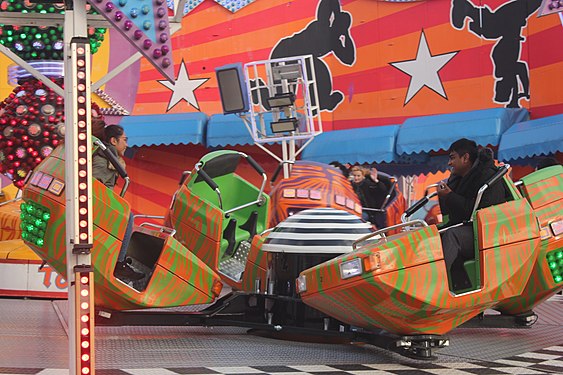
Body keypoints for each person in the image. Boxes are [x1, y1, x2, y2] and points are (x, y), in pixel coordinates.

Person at [437, 138, 509, 289]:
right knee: (434, 234)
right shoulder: (458, 178)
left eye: (452, 158)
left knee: (452, 236)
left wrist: (449, 195)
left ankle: (437, 284)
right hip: (468, 228)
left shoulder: (488, 176)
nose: (449, 163)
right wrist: (445, 196)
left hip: (487, 233)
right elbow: (451, 213)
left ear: (465, 158)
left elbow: (481, 212)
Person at [92, 123, 144, 282]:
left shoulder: (110, 159)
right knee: (127, 216)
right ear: (114, 141)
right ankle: (119, 263)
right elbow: (93, 186)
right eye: (124, 140)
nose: (126, 144)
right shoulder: (103, 160)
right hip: (95, 208)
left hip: (101, 205)